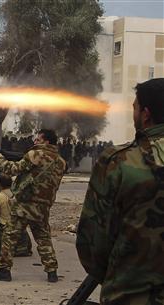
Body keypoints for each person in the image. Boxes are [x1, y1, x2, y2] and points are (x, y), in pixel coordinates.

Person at [76, 78, 164, 305]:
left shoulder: (118, 161)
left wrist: (115, 273)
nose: (132, 113)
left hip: (130, 293)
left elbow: (92, 241)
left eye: (134, 108)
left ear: (145, 114)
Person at [0, 129, 66, 282]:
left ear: (46, 141)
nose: (34, 142)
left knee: (9, 236)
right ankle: (52, 272)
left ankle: (4, 270)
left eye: (38, 140)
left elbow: (11, 169)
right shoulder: (61, 162)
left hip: (25, 204)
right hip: (43, 207)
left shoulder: (35, 154)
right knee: (43, 238)